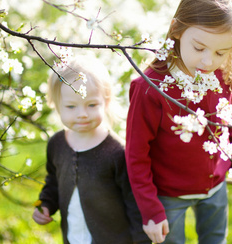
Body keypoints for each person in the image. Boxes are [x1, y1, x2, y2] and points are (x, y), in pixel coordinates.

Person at [125, 0, 232, 244]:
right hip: (168, 195)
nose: (208, 62)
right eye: (199, 48)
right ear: (176, 29)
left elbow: (231, 126)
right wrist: (150, 209)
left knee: (215, 239)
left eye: (221, 52)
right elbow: (136, 154)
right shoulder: (151, 88)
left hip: (215, 188)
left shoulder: (224, 74)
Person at [33, 55, 150, 244]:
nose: (82, 114)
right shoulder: (57, 144)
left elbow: (134, 202)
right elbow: (53, 181)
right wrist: (45, 204)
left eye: (92, 105)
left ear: (106, 101)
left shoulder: (116, 152)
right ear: (56, 105)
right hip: (73, 237)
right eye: (71, 106)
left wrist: (141, 241)